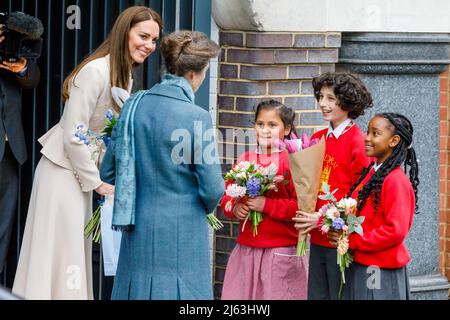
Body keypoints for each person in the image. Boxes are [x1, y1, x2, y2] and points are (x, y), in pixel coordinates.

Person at [12, 6, 162, 300]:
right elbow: (73, 134)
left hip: (80, 174)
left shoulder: (125, 78)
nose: (149, 46)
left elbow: (104, 138)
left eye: (154, 40)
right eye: (143, 36)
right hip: (61, 173)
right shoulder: (95, 71)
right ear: (124, 33)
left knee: (71, 254)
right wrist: (97, 182)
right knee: (60, 254)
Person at [99, 30, 224, 300]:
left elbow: (107, 171)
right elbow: (213, 188)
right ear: (194, 74)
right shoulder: (197, 117)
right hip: (184, 229)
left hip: (137, 225)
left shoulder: (134, 105)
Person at [292, 72, 373, 300]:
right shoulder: (318, 138)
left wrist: (322, 217)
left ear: (347, 101)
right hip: (316, 237)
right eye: (321, 96)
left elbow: (361, 195)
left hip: (340, 239)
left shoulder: (358, 141)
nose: (322, 103)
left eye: (330, 98)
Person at [220, 100, 308, 300]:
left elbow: (300, 207)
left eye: (272, 125)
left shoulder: (292, 161)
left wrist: (266, 205)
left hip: (279, 252)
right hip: (246, 250)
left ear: (286, 129)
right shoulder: (245, 159)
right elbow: (228, 195)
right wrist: (234, 208)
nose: (265, 130)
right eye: (260, 124)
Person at [329, 113, 419, 300]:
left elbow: (395, 231)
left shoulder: (395, 181)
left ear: (393, 140)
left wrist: (352, 241)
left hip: (378, 270)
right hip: (362, 263)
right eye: (367, 132)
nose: (367, 138)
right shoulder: (372, 174)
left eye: (375, 133)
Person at [0, 26, 40, 275]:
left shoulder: (10, 45)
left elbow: (32, 77)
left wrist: (22, 67)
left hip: (9, 148)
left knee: (3, 225)